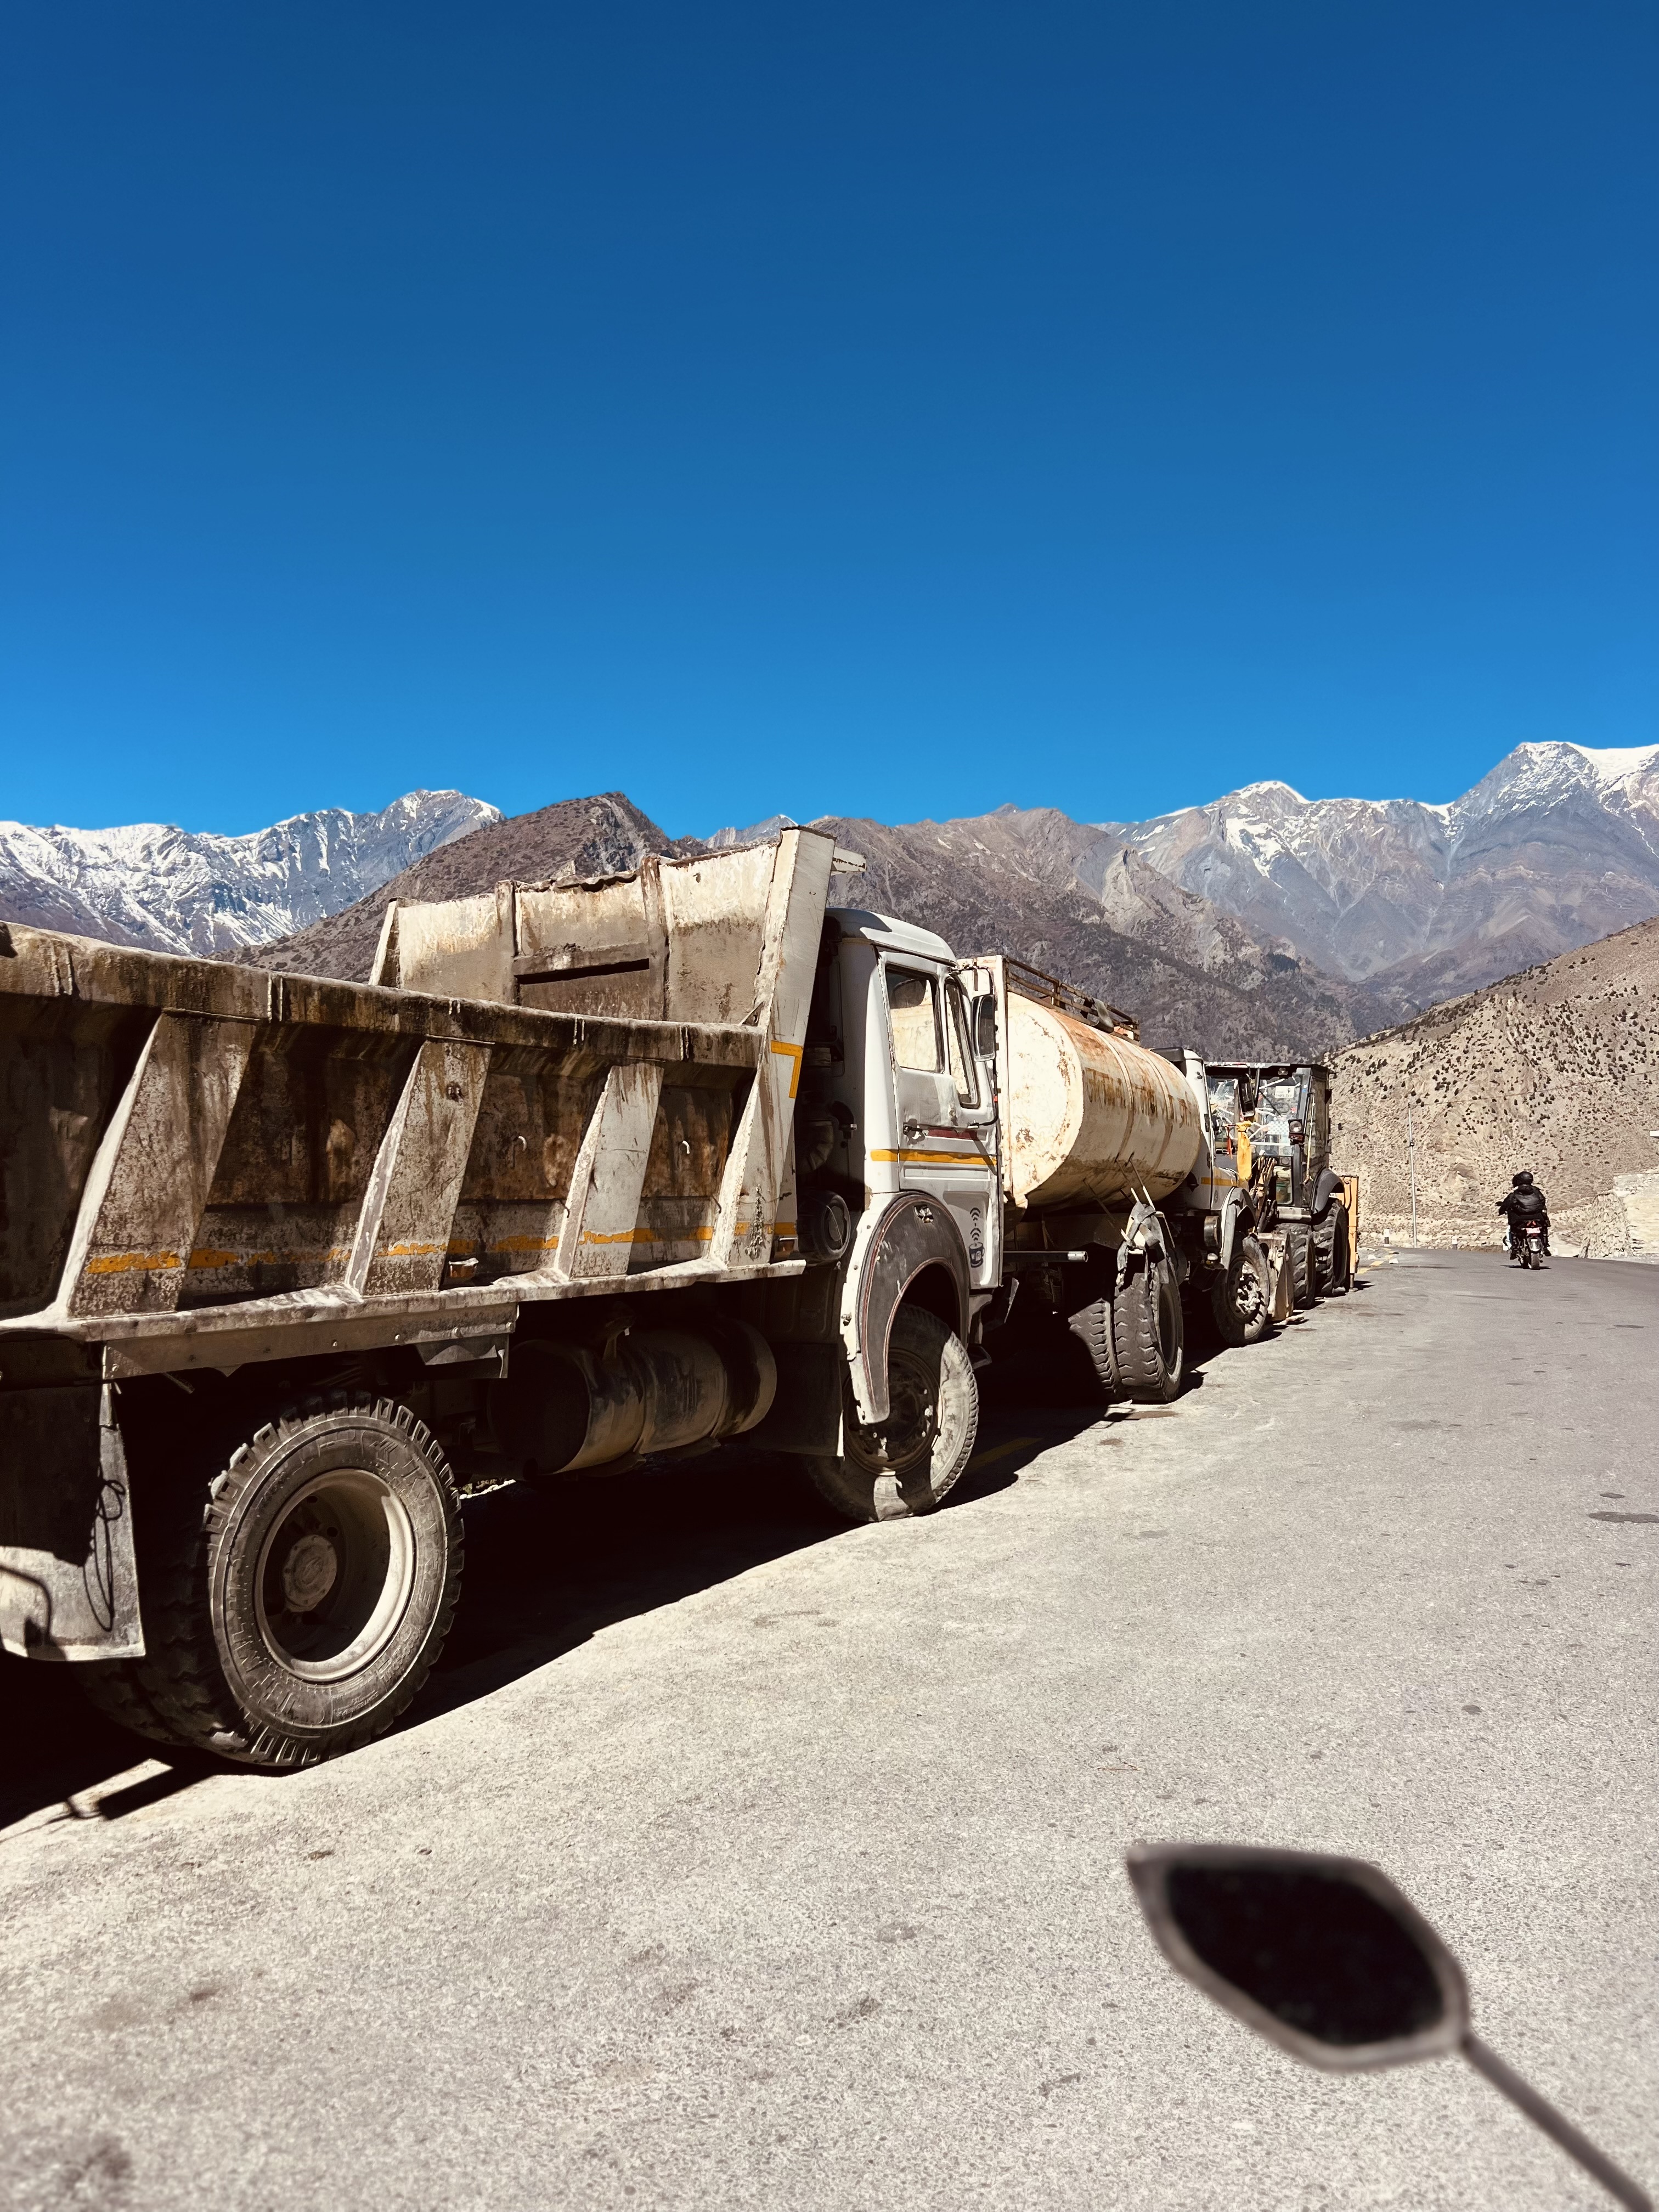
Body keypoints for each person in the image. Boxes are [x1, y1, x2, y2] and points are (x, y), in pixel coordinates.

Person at [1497, 1171, 1549, 1256]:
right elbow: (1542, 1201)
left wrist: (1501, 1211)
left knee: (1513, 1230)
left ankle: (1515, 1248)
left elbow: (1507, 1204)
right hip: (1538, 1218)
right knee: (1544, 1227)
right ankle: (1546, 1246)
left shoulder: (1514, 1194)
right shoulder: (1537, 1191)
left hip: (1521, 1219)